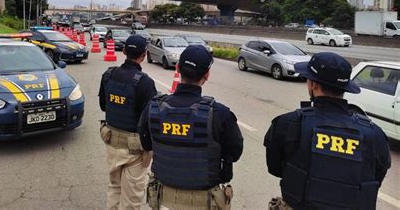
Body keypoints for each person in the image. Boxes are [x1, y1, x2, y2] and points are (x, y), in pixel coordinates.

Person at [264, 52, 391, 210]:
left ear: (313, 85)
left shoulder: (288, 123)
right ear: (344, 87)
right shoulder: (374, 133)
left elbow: (275, 167)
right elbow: (377, 176)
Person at [139, 45, 244, 209]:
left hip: (164, 198)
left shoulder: (153, 108)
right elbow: (235, 151)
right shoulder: (219, 113)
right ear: (207, 75)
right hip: (205, 200)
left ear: (178, 68)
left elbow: (146, 143)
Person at [99, 34, 158, 210]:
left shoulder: (108, 75)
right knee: (132, 197)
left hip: (111, 142)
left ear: (124, 51)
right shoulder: (145, 83)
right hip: (135, 148)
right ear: (144, 54)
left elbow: (103, 106)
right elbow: (150, 119)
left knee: (114, 187)